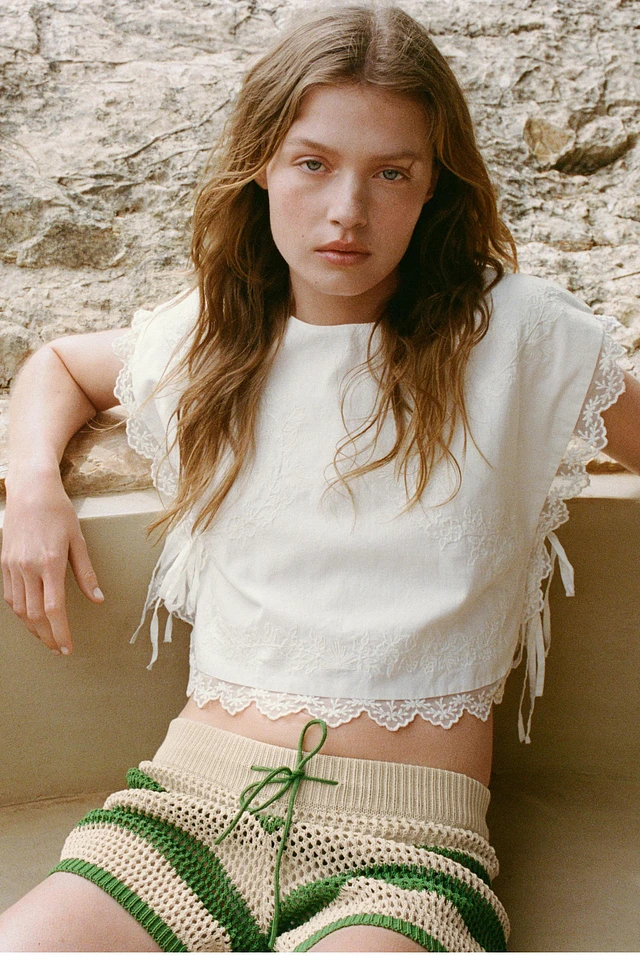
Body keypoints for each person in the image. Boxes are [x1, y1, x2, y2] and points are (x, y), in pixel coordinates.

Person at [0, 3, 638, 952]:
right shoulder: (213, 338)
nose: (348, 210)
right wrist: (33, 491)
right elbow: (58, 364)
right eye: (313, 163)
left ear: (434, 185)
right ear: (262, 164)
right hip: (186, 809)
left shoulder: (518, 336)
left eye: (392, 172)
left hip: (405, 848)